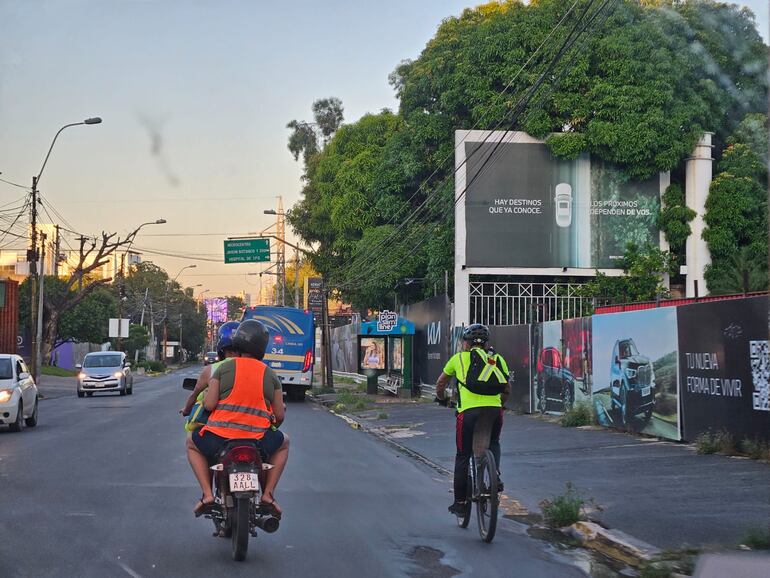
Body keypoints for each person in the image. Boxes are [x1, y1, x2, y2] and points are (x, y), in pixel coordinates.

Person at [186, 319, 289, 518]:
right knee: (285, 443)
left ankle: (207, 495)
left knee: (191, 442)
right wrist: (271, 424)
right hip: (258, 440)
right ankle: (268, 494)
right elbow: (279, 416)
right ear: (262, 348)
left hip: (219, 438)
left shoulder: (222, 369)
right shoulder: (270, 374)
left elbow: (208, 405)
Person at [435, 323, 511, 517]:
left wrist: (442, 398)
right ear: (486, 343)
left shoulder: (458, 359)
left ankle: (460, 503)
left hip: (468, 413)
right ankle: (495, 475)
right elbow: (506, 389)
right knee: (493, 441)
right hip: (493, 411)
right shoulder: (497, 359)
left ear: (466, 343)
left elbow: (441, 382)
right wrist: (500, 405)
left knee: (463, 454)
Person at [180, 321, 240, 432]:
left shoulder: (211, 369)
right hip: (252, 431)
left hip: (217, 429)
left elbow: (198, 397)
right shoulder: (259, 369)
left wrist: (186, 410)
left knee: (191, 442)